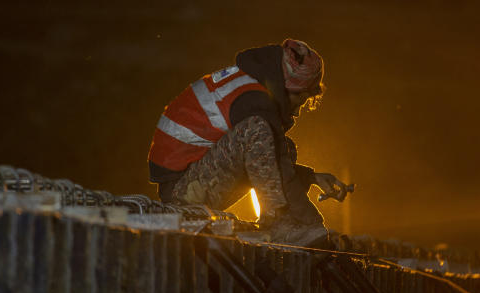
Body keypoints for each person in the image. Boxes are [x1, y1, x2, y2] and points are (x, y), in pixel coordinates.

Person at [147, 38, 350, 246]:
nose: (297, 111)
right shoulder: (254, 100)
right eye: (301, 100)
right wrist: (313, 224)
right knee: (257, 131)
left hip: (193, 179)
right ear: (288, 86)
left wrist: (312, 177)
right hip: (181, 190)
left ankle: (284, 222)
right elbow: (277, 165)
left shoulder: (252, 84)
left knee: (282, 146)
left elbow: (271, 163)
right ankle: (278, 223)